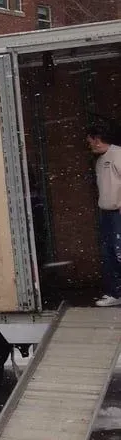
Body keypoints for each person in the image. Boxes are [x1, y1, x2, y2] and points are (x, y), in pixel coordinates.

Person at [86, 123, 121, 306]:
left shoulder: (118, 155)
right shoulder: (100, 160)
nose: (89, 145)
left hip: (118, 213)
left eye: (90, 141)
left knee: (119, 252)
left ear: (97, 140)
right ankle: (115, 293)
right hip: (106, 213)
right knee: (109, 254)